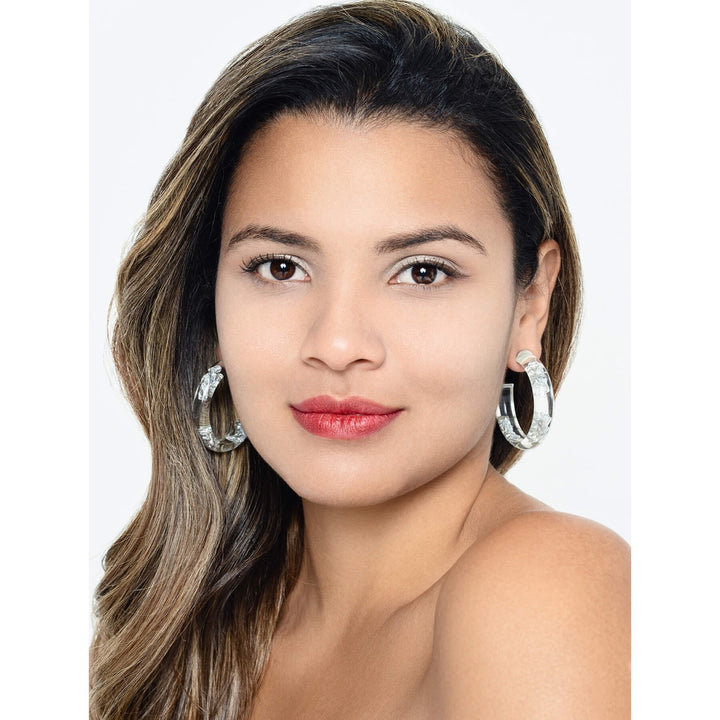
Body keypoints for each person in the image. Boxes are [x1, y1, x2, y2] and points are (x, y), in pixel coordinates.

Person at [90, 1, 630, 718]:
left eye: (422, 272)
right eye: (281, 268)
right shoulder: (177, 631)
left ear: (530, 304)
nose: (339, 344)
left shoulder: (546, 588)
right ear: (208, 302)